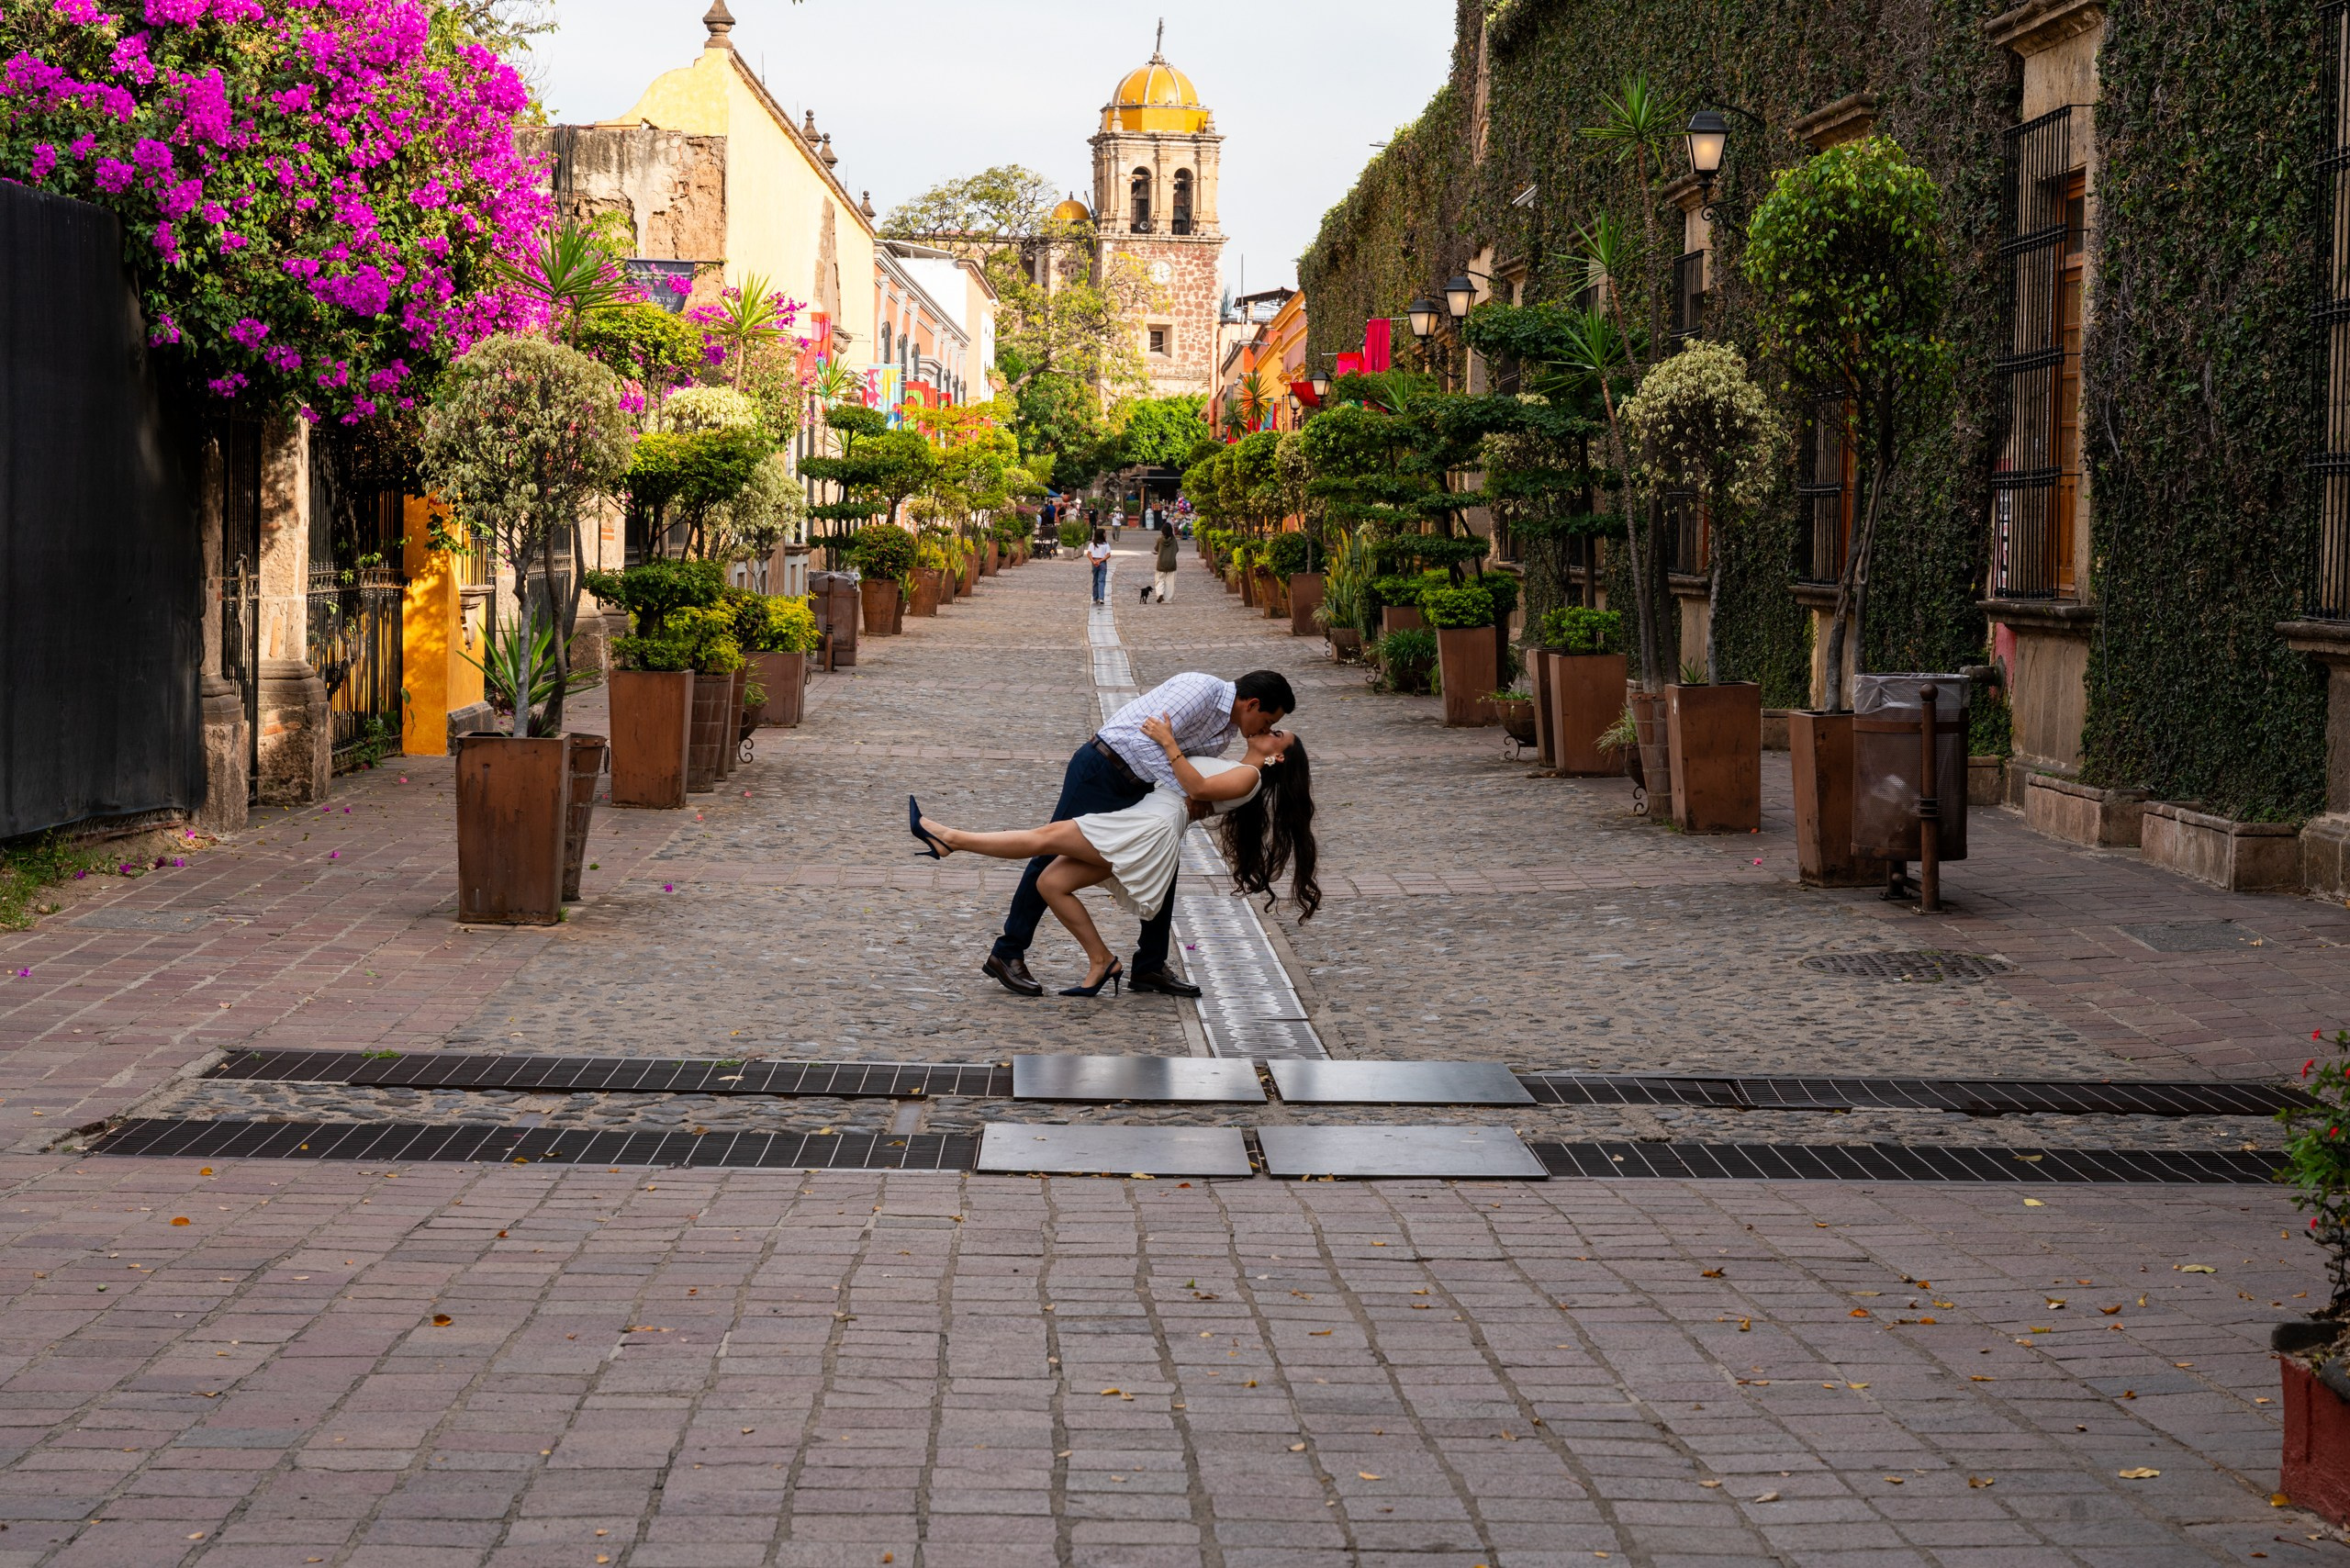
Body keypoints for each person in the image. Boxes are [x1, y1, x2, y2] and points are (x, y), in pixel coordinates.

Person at [912, 721, 1317, 995]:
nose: (1269, 728)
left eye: (1278, 733)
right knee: (1051, 882)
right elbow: (1197, 792)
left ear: (1278, 757)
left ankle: (950, 839)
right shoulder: (1235, 766)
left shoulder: (1251, 776)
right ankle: (1102, 962)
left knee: (1044, 838)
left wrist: (1168, 741)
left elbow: (1195, 784)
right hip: (1144, 822)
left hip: (1148, 828)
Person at [979, 668, 1297, 996]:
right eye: (1269, 722)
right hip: (1103, 769)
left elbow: (1183, 765)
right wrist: (1188, 790)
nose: (1267, 729)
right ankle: (1007, 952)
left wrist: (1191, 790)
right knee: (1048, 854)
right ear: (1253, 704)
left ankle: (1150, 966)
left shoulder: (1226, 733)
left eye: (1273, 729)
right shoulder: (1199, 690)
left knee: (1162, 864)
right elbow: (1144, 741)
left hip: (1138, 786)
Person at [1152, 521, 1180, 604]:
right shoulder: (1174, 540)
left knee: (1159, 580)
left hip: (1161, 563)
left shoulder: (1160, 539)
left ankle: (1160, 593)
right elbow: (1177, 550)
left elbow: (1156, 549)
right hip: (1172, 563)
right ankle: (1168, 599)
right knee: (1170, 582)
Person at [1084, 528, 1113, 605]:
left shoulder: (1092, 544)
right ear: (1102, 535)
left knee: (1095, 580)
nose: (1106, 535)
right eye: (1105, 533)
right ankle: (1101, 598)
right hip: (1102, 563)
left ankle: (1095, 597)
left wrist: (1094, 561)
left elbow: (1088, 554)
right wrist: (1100, 561)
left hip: (1094, 563)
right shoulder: (1106, 544)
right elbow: (1108, 555)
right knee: (1101, 581)